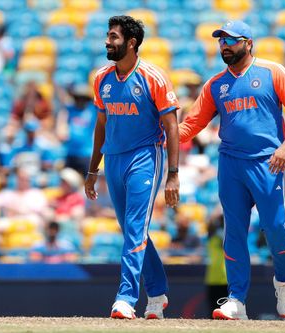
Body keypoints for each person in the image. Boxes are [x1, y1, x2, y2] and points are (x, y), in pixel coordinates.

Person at [179, 20, 285, 320]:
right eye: (221, 41)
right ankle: (236, 298)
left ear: (248, 43)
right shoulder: (216, 84)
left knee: (275, 228)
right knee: (234, 231)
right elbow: (192, 125)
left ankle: (284, 280)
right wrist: (164, 133)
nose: (224, 46)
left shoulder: (272, 71)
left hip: (269, 161)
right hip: (231, 163)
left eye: (231, 40)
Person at [84, 15, 180, 320]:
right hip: (113, 159)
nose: (107, 42)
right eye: (108, 36)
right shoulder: (102, 77)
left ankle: (125, 298)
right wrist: (92, 169)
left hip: (145, 156)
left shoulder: (153, 76)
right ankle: (158, 291)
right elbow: (101, 123)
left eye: (113, 37)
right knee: (131, 231)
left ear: (131, 42)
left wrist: (173, 175)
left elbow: (171, 125)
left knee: (136, 228)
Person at [56, 84, 97, 177]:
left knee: (88, 182)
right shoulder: (69, 110)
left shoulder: (92, 110)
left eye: (83, 98)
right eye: (78, 98)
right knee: (66, 179)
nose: (80, 101)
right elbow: (62, 98)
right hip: (70, 152)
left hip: (85, 153)